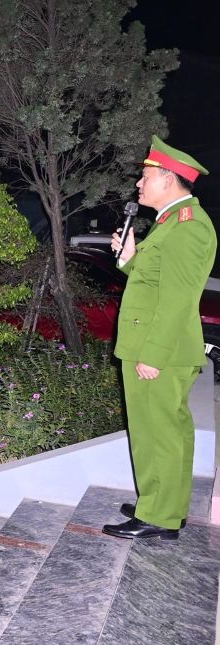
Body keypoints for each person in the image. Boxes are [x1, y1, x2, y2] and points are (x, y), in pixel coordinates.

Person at [103, 136, 217, 541]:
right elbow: (152, 284)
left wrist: (152, 354)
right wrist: (130, 259)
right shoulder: (171, 223)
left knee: (159, 431)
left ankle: (160, 517)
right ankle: (162, 503)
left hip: (159, 351)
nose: (139, 183)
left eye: (146, 177)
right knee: (163, 429)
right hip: (153, 346)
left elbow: (177, 301)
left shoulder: (188, 228)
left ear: (168, 180)